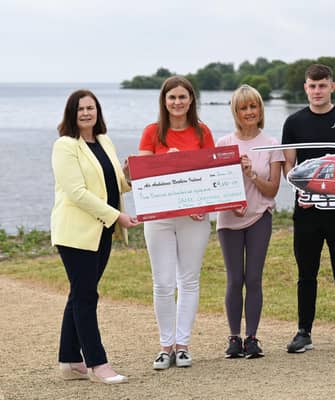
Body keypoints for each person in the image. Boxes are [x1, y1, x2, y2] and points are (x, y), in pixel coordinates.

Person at [52, 90, 139, 384]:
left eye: (91, 108)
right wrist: (117, 216)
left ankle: (70, 362)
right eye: (80, 109)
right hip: (75, 233)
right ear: (71, 114)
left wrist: (127, 175)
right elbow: (77, 193)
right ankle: (97, 365)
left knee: (80, 293)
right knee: (87, 295)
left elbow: (112, 184)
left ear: (97, 111)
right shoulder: (64, 146)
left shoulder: (104, 141)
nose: (86, 113)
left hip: (101, 230)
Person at [282, 64, 335, 354]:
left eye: (322, 85)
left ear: (332, 86)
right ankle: (304, 331)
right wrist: (300, 191)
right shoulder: (293, 122)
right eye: (312, 86)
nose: (317, 91)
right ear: (305, 88)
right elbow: (288, 167)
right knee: (307, 273)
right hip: (306, 210)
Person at [137, 76, 215, 369]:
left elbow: (212, 174)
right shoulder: (152, 133)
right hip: (159, 219)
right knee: (163, 283)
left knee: (189, 280)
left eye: (183, 97)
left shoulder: (202, 132)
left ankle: (182, 345)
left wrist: (203, 204)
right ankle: (165, 345)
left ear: (191, 100)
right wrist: (167, 162)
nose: (178, 102)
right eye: (172, 98)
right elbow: (142, 174)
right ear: (164, 101)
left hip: (194, 218)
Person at [216, 84, 284, 359]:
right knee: (235, 279)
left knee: (253, 278)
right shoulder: (222, 145)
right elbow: (216, 188)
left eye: (253, 106)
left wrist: (252, 174)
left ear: (260, 109)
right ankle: (234, 338)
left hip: (259, 217)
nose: (249, 112)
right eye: (243, 107)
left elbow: (273, 189)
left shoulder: (271, 144)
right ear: (235, 111)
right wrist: (231, 203)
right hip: (229, 220)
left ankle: (252, 338)